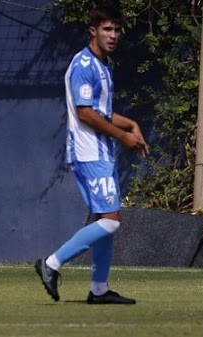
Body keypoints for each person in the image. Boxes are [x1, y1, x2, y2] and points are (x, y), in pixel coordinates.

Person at [34, 5, 149, 304]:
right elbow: (85, 113)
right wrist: (123, 136)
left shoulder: (104, 66)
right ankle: (51, 263)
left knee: (105, 222)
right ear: (93, 31)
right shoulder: (84, 64)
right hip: (89, 153)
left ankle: (99, 289)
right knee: (110, 221)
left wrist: (130, 123)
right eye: (107, 29)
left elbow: (102, 111)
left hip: (102, 152)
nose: (113, 35)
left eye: (117, 30)